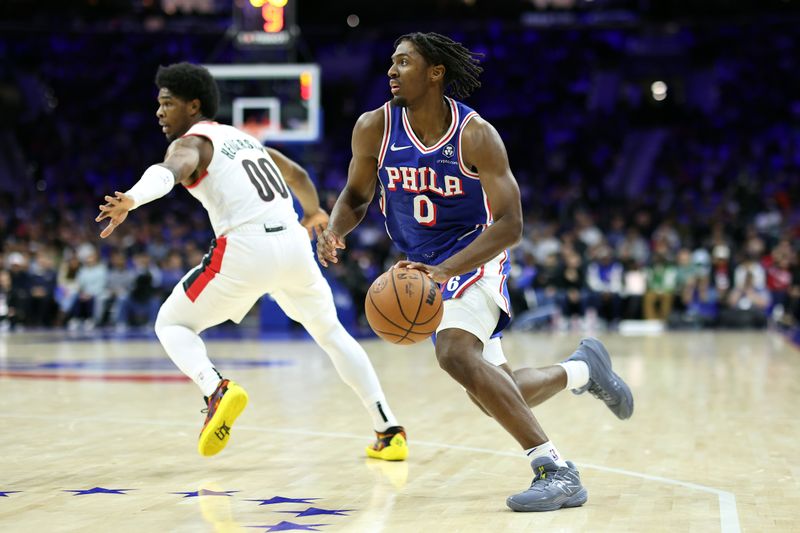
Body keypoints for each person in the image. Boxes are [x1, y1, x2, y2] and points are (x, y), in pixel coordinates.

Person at [317, 32, 634, 512]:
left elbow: (511, 224)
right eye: (391, 62)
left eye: (404, 62)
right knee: (490, 395)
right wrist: (335, 229)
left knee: (454, 355)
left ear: (435, 72)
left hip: (473, 258)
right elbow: (358, 196)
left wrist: (446, 270)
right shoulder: (373, 128)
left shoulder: (476, 135)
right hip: (421, 266)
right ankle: (582, 370)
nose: (392, 71)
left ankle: (555, 469)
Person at [95, 62, 407, 461]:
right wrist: (312, 213)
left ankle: (215, 389)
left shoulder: (192, 142)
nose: (159, 112)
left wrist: (133, 198)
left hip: (245, 248)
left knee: (171, 323)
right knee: (332, 334)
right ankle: (388, 429)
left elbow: (170, 171)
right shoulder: (246, 140)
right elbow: (296, 173)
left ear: (193, 107)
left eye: (167, 103)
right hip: (294, 246)